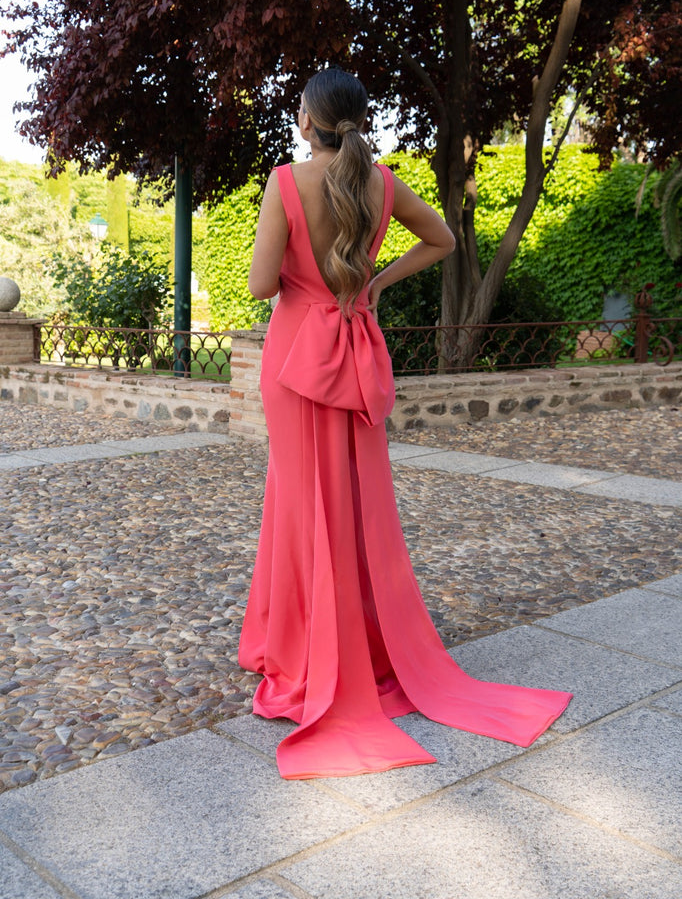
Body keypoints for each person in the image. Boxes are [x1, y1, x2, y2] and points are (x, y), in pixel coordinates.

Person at [238, 67, 572, 780]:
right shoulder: (381, 183)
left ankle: (300, 651)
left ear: (308, 121)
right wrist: (375, 280)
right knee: (359, 508)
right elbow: (442, 239)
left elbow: (262, 285)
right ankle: (363, 646)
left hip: (295, 356)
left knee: (299, 504)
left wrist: (306, 274)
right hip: (356, 346)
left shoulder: (285, 182)